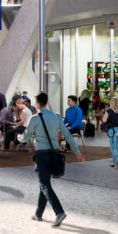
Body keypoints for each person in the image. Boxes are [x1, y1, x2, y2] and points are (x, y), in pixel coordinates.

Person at [20, 92, 85, 226]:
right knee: (45, 183)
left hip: (42, 155)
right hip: (54, 154)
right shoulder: (56, 117)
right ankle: (38, 214)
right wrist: (77, 152)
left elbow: (25, 137)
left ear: (37, 104)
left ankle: (59, 212)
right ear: (47, 102)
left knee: (44, 184)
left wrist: (19, 138)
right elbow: (67, 135)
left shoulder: (34, 118)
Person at [100, 96, 118, 167]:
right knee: (115, 148)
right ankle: (113, 162)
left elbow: (104, 120)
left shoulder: (109, 110)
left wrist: (103, 116)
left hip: (112, 131)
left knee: (113, 148)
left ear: (111, 103)